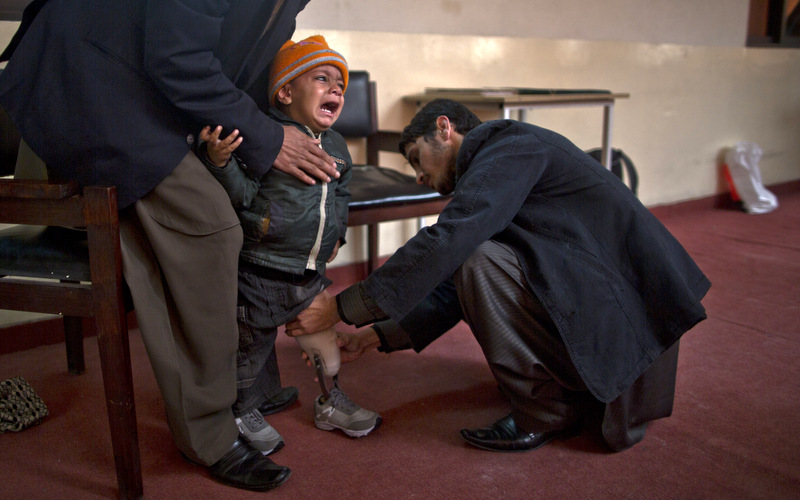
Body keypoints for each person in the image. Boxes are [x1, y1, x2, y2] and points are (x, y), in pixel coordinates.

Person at [0, 0, 340, 492]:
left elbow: (230, 69)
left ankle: (236, 392)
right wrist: (269, 138)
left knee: (216, 207)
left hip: (140, 85)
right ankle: (210, 433)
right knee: (212, 230)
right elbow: (178, 60)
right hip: (88, 75)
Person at [287, 98, 712, 453]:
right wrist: (374, 335)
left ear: (445, 127)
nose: (419, 177)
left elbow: (454, 242)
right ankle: (561, 393)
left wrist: (340, 308)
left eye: (418, 158)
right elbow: (455, 278)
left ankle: (546, 411)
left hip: (630, 331)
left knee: (474, 256)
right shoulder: (505, 159)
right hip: (614, 317)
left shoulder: (511, 146)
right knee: (473, 256)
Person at [199, 35, 382, 450]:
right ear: (284, 92)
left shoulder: (337, 148)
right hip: (262, 266)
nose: (336, 88)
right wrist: (221, 162)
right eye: (322, 78)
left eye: (340, 84)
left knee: (325, 345)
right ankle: (244, 410)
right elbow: (243, 195)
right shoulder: (266, 137)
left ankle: (330, 400)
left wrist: (340, 231)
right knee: (252, 348)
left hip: (310, 271)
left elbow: (342, 193)